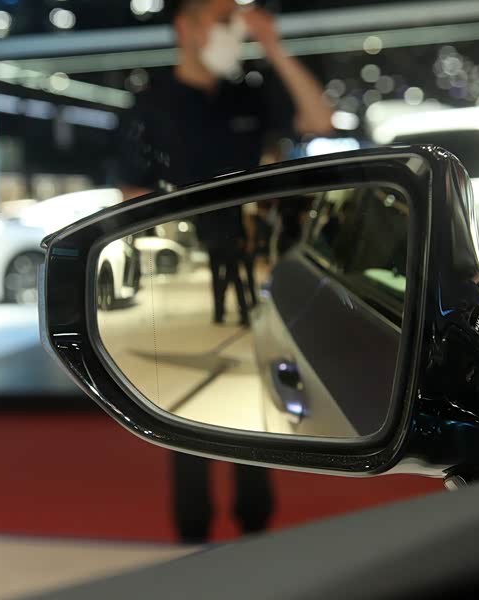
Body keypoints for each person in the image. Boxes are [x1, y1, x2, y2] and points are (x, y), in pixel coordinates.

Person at [115, 0, 334, 543]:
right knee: (184, 417)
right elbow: (130, 194)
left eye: (236, 21)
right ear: (184, 29)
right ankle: (194, 538)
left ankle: (255, 528)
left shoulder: (247, 97)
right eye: (221, 20)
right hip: (182, 286)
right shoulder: (150, 105)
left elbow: (319, 120)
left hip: (253, 280)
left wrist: (272, 45)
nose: (231, 31)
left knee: (251, 409)